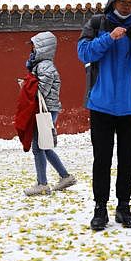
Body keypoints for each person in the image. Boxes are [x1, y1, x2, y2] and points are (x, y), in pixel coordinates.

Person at [77, 0, 131, 231]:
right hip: (101, 104)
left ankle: (124, 207)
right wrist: (109, 38)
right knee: (101, 159)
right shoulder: (96, 23)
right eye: (123, 2)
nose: (127, 7)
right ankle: (100, 209)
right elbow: (83, 53)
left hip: (130, 105)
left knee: (127, 159)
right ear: (113, 1)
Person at [23, 31, 76, 196]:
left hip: (45, 109)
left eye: (33, 45)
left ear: (41, 47)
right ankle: (65, 176)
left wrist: (26, 87)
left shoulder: (44, 66)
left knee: (39, 146)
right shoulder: (41, 65)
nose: (30, 49)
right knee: (43, 145)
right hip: (46, 108)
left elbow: (42, 90)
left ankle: (42, 184)